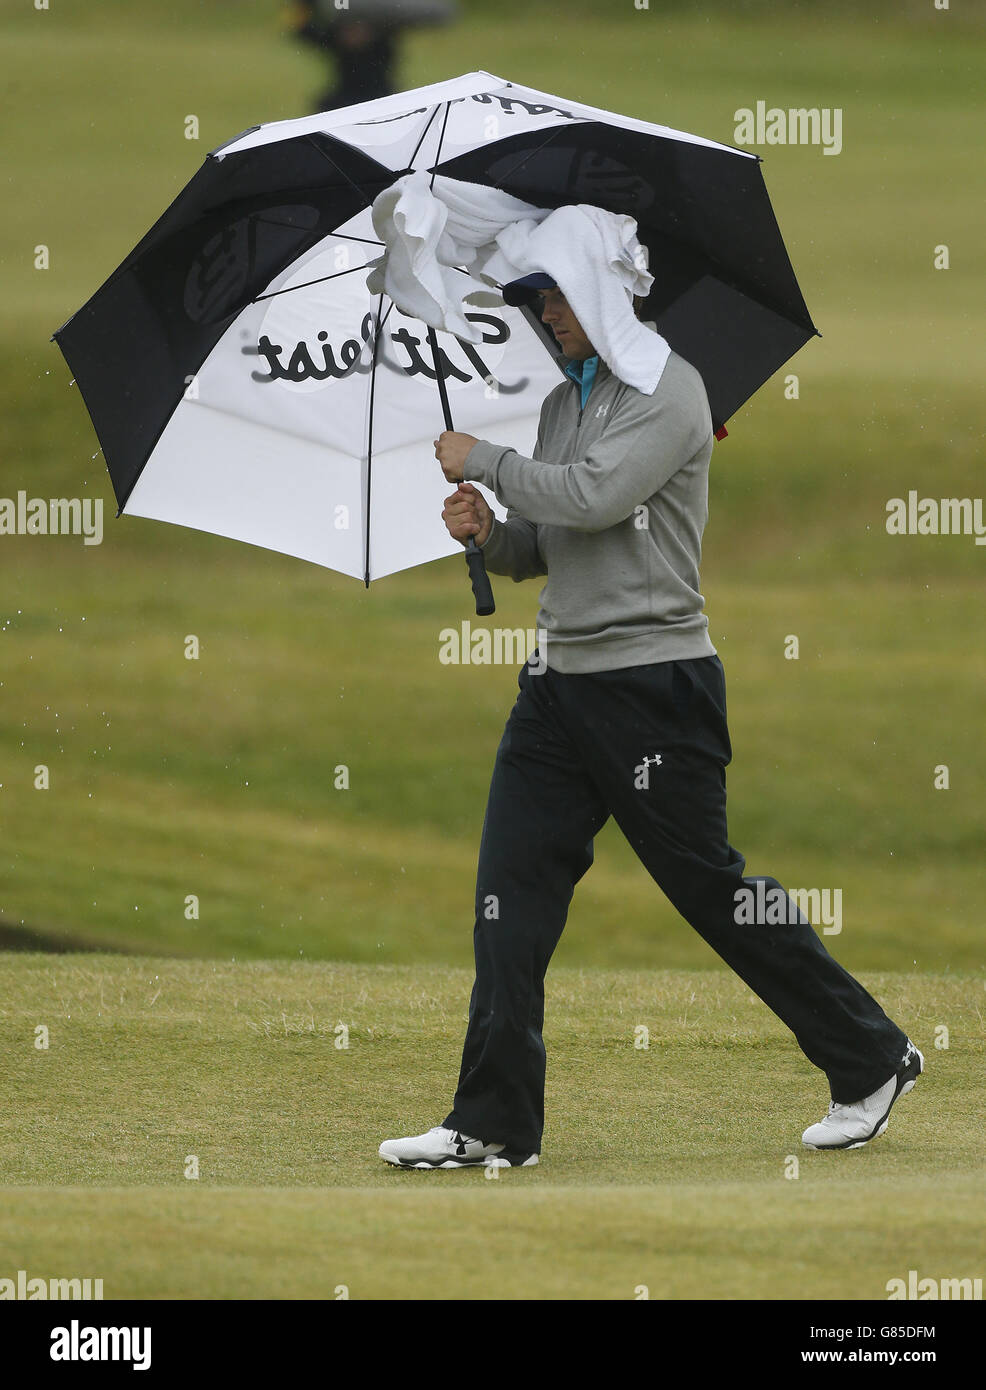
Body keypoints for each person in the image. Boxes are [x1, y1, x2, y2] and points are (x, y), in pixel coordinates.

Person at [378, 276, 923, 1170]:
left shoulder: (674, 388)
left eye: (558, 297)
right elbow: (557, 541)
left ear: (606, 292)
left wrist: (481, 460)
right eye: (535, 303)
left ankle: (871, 1056)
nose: (546, 317)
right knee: (507, 902)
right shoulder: (562, 405)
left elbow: (593, 495)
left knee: (711, 888)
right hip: (556, 691)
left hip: (654, 689)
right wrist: (489, 537)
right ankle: (494, 1119)